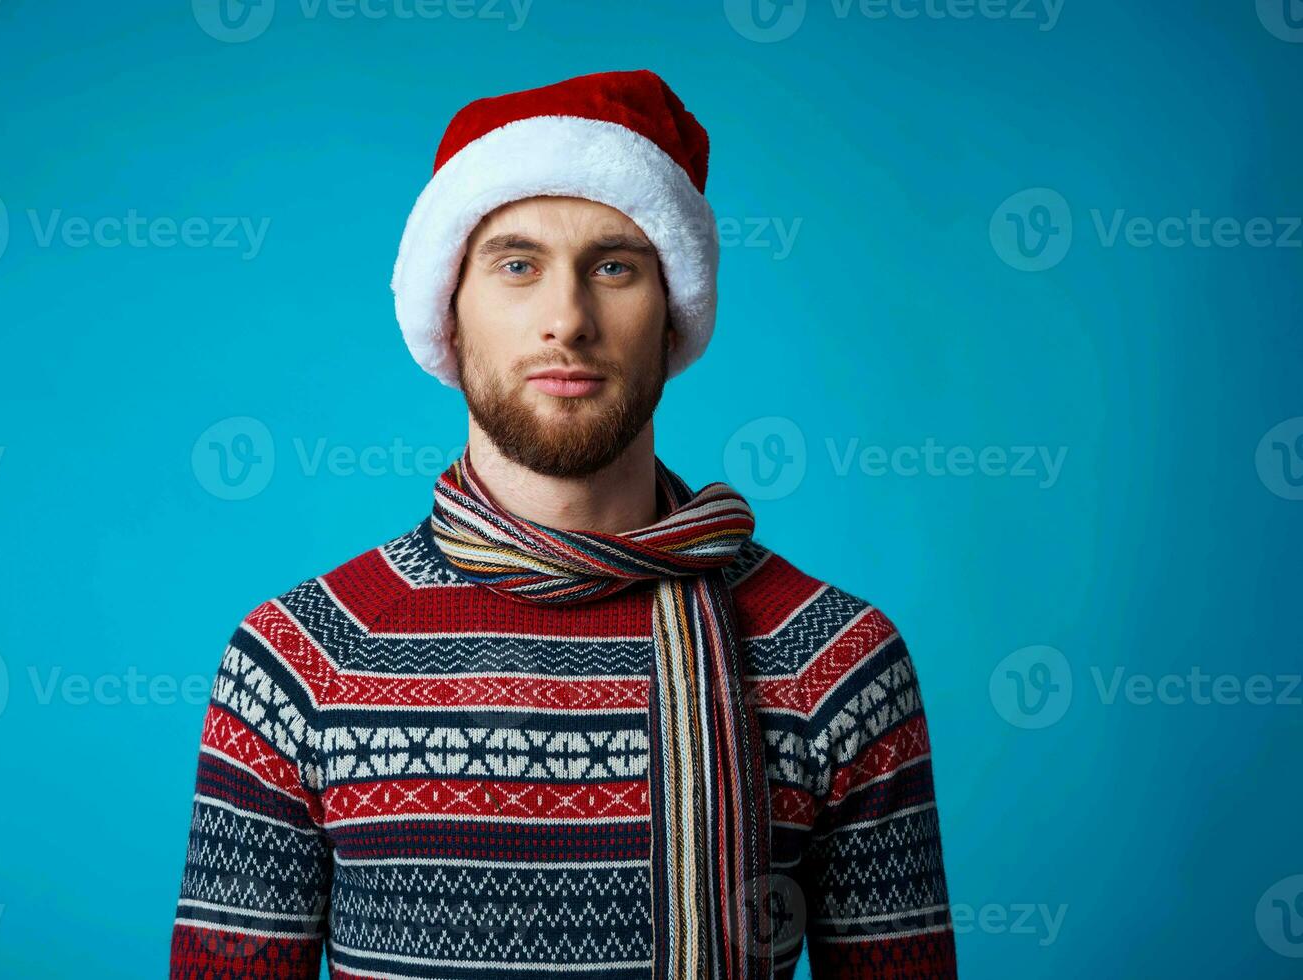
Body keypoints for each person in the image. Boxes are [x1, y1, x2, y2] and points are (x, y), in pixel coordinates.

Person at [169, 68, 957, 980]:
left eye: (614, 266)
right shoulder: (296, 660)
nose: (567, 320)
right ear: (448, 316)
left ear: (673, 319)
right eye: (516, 265)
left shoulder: (841, 660)